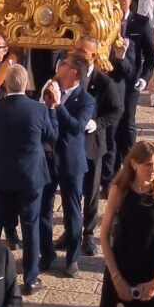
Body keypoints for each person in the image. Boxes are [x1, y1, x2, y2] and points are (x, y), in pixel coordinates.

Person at [0, 64, 58, 295]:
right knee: (30, 226)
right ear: (26, 85)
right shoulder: (39, 110)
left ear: (5, 84)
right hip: (31, 177)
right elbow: (52, 137)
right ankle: (31, 277)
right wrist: (52, 109)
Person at [98, 141, 154, 307]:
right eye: (148, 164)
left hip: (152, 266)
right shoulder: (119, 192)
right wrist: (117, 278)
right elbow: (104, 236)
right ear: (134, 164)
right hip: (123, 265)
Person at [39, 55, 96, 278]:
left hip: (70, 161)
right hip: (47, 158)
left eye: (63, 64)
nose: (58, 65)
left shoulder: (86, 99)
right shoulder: (49, 87)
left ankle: (72, 257)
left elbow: (76, 127)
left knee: (72, 211)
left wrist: (57, 106)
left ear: (73, 72)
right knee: (44, 208)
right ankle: (46, 252)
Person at [70, 37, 122, 256]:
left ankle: (88, 233)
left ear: (93, 55)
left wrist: (97, 123)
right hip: (71, 143)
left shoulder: (104, 82)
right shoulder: (68, 74)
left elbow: (116, 110)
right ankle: (71, 231)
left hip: (92, 145)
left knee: (91, 192)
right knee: (71, 191)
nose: (78, 55)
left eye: (83, 52)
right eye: (77, 51)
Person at [113, 0, 154, 169]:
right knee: (112, 122)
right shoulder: (106, 21)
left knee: (128, 121)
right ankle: (112, 168)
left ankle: (131, 162)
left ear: (131, 0)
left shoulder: (140, 22)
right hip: (111, 78)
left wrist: (145, 77)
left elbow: (151, 55)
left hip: (131, 79)